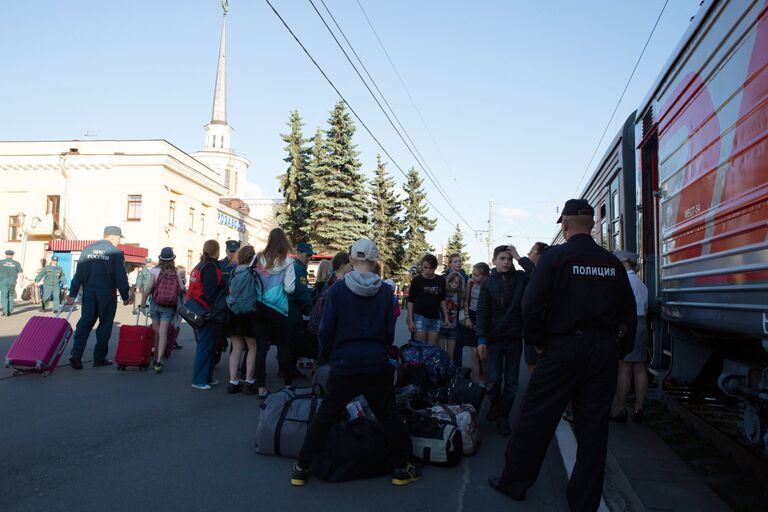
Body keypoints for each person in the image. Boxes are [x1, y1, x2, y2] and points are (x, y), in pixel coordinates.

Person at [487, 199, 637, 512]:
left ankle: (514, 483)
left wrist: (540, 342)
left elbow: (532, 305)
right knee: (594, 429)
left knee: (535, 419)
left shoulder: (555, 258)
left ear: (565, 224)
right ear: (593, 224)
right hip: (601, 353)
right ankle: (583, 502)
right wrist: (616, 350)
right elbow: (628, 313)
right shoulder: (611, 263)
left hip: (561, 349)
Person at [291, 239, 421, 487]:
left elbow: (327, 328)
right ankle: (401, 469)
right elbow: (387, 332)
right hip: (375, 363)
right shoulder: (385, 292)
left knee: (326, 415)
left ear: (351, 260)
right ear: (374, 261)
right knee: (388, 415)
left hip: (345, 362)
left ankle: (301, 467)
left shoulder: (338, 290)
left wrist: (328, 355)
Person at [476, 246, 530, 436]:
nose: (506, 262)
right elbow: (483, 312)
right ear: (494, 260)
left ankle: (504, 417)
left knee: (512, 383)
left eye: (509, 259)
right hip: (495, 339)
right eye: (502, 258)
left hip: (515, 338)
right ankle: (495, 404)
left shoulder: (521, 278)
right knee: (494, 379)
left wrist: (519, 256)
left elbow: (538, 274)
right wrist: (481, 339)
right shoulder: (488, 283)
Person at [67, 226, 131, 369]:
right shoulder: (115, 253)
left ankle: (76, 355)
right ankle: (99, 358)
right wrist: (126, 295)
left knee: (84, 323)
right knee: (105, 326)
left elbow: (79, 274)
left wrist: (72, 293)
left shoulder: (87, 250)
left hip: (89, 293)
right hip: (107, 294)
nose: (119, 241)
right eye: (119, 238)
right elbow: (121, 276)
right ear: (114, 237)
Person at [253, 228, 297, 396]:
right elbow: (290, 288)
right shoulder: (288, 262)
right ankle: (287, 385)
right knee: (283, 346)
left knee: (261, 348)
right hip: (278, 309)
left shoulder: (259, 258)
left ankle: (261, 387)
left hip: (259, 306)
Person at [611, 250, 649, 424]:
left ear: (624, 262)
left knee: (624, 368)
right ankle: (640, 408)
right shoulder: (642, 284)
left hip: (629, 325)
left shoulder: (624, 281)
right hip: (642, 323)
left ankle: (620, 408)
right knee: (640, 369)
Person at [187, 240, 225, 390]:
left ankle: (206, 377)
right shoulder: (210, 266)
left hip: (197, 308)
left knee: (208, 345)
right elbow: (210, 292)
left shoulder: (201, 264)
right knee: (205, 346)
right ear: (217, 251)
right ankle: (199, 379)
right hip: (206, 311)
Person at [142, 247, 185, 373]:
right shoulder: (176, 272)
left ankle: (155, 356)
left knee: (155, 330)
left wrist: (143, 302)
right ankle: (159, 361)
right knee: (163, 332)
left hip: (155, 303)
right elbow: (182, 288)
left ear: (160, 258)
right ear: (173, 259)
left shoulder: (154, 270)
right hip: (169, 306)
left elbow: (149, 287)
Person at [509, 242, 549, 373]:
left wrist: (518, 257)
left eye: (531, 252)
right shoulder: (526, 274)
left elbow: (535, 272)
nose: (528, 254)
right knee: (531, 362)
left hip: (543, 328)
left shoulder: (546, 271)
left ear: (540, 255)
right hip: (529, 328)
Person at [226, 245, 259, 395]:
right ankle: (248, 381)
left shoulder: (234, 271)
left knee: (236, 347)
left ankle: (233, 381)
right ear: (253, 257)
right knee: (252, 347)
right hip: (249, 313)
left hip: (234, 312)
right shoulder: (253, 273)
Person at [285, 242, 314, 378]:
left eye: (310, 256)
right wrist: (311, 312)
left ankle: (286, 369)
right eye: (307, 255)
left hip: (288, 308)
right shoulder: (299, 269)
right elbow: (302, 293)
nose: (309, 258)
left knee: (287, 341)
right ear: (299, 254)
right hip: (293, 309)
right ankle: (290, 371)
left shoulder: (293, 266)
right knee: (293, 340)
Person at [406, 254, 449, 345]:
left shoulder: (441, 280)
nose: (428, 270)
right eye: (425, 267)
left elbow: (442, 300)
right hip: (420, 317)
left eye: (431, 268)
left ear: (435, 267)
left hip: (435, 318)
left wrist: (446, 317)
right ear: (422, 266)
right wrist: (410, 319)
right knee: (420, 347)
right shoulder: (417, 280)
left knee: (431, 350)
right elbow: (410, 301)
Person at [462, 262, 491, 384]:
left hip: (484, 317)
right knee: (474, 352)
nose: (473, 277)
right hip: (472, 315)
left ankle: (485, 380)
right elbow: (466, 301)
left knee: (482, 353)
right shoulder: (470, 282)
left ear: (485, 276)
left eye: (476, 275)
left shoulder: (490, 284)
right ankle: (475, 382)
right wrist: (467, 317)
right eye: (473, 274)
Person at [441, 271, 464, 361]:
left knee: (451, 355)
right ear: (448, 281)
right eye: (452, 282)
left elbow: (461, 309)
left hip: (453, 327)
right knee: (442, 353)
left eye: (456, 283)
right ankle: (441, 374)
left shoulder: (459, 294)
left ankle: (449, 373)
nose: (454, 284)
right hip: (441, 325)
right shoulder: (444, 292)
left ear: (459, 284)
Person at [0, 250, 23, 317]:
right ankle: (10, 310)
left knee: (4, 296)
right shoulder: (17, 263)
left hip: (3, 281)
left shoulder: (1, 262)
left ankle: (5, 312)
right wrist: (21, 282)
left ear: (6, 255)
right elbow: (21, 273)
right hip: (12, 282)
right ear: (12, 255)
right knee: (11, 295)